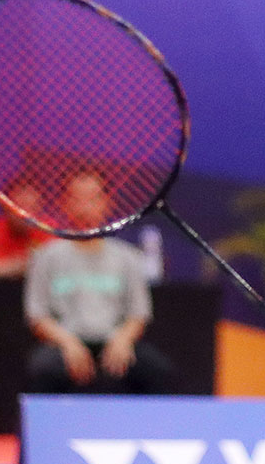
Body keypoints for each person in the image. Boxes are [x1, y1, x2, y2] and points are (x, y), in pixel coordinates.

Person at [25, 168, 173, 394]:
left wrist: (122, 340)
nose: (85, 206)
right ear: (64, 203)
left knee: (157, 370)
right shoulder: (46, 256)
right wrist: (68, 343)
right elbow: (38, 316)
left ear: (107, 203)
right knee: (43, 368)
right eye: (77, 198)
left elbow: (138, 315)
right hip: (65, 341)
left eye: (93, 198)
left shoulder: (128, 256)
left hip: (114, 341)